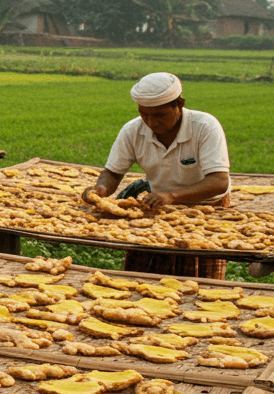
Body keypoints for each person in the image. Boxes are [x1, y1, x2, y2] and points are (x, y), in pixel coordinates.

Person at [82, 71, 231, 279]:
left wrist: (172, 197)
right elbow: (113, 172)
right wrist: (101, 189)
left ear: (179, 104)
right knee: (142, 276)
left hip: (206, 208)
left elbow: (219, 182)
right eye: (145, 114)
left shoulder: (205, 126)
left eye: (159, 115)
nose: (151, 122)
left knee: (197, 281)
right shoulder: (133, 130)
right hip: (158, 206)